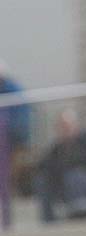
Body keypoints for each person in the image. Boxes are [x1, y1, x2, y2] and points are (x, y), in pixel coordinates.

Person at [0, 60, 32, 195]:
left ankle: (8, 193)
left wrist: (19, 140)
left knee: (9, 170)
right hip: (5, 138)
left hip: (13, 139)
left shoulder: (14, 91)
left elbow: (21, 121)